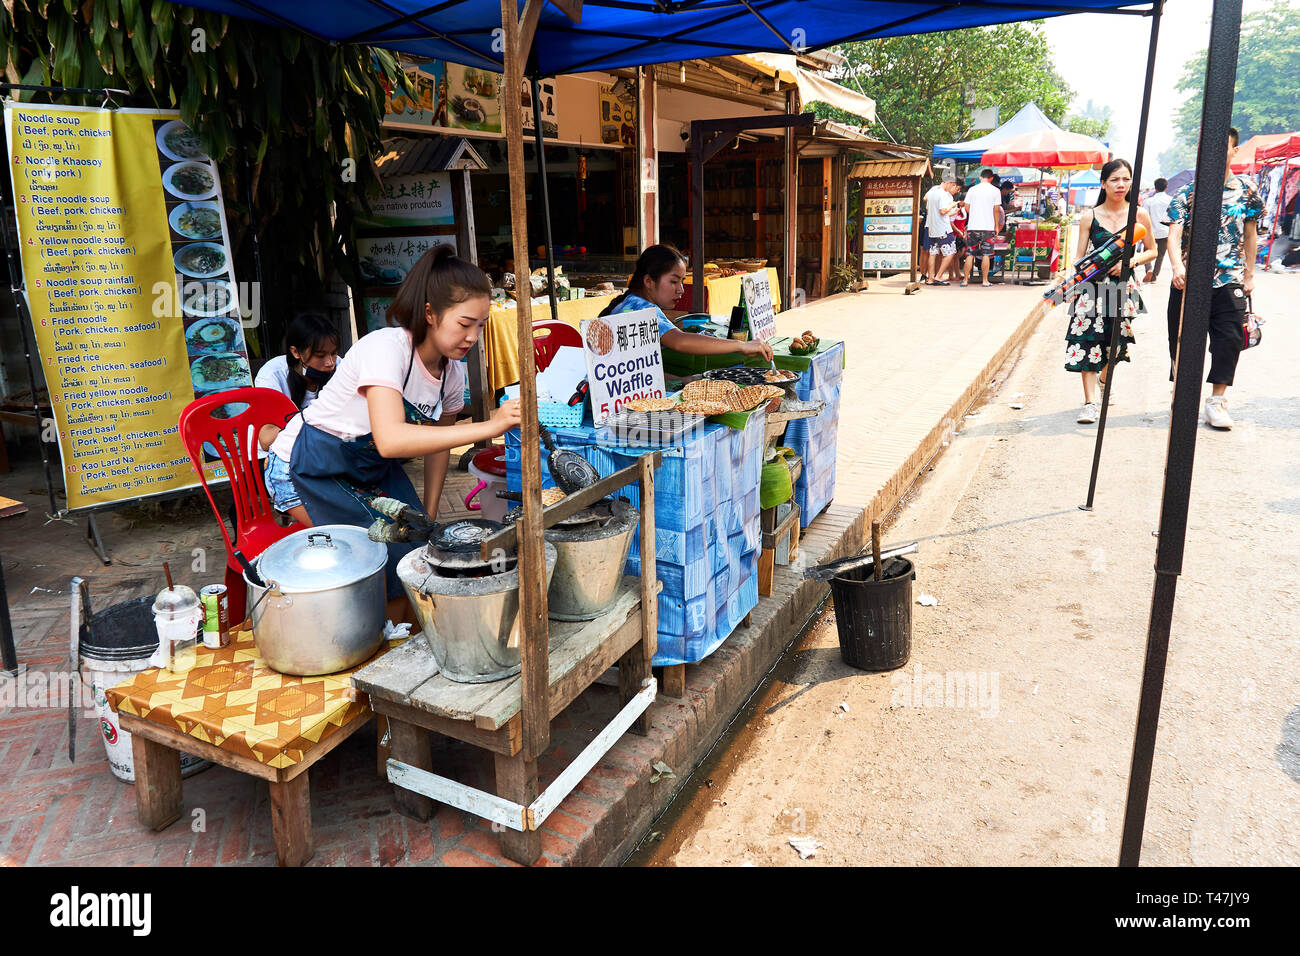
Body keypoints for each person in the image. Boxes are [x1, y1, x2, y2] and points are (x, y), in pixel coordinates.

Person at [269, 244, 521, 621]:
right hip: (303, 465)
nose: (473, 336)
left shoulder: (451, 375)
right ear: (430, 314)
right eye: (464, 324)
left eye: (481, 325)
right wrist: (492, 425)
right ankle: (380, 649)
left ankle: (408, 638)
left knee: (421, 547)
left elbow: (440, 449)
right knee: (380, 555)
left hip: (365, 466)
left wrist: (430, 513)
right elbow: (391, 440)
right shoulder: (386, 349)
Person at [1165, 127, 1263, 430]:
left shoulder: (1246, 190)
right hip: (1189, 280)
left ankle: (1217, 401)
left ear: (1235, 151)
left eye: (1224, 148)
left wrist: (1249, 274)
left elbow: (1250, 234)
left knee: (1229, 340)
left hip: (1229, 279)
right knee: (1180, 343)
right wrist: (1177, 268)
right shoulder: (1186, 193)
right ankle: (1182, 397)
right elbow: (1174, 233)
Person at [1064, 158, 1156, 425]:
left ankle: (1105, 379)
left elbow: (1152, 250)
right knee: (1088, 341)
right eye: (1115, 179)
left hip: (1122, 289)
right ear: (1103, 184)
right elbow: (1078, 257)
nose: (1121, 184)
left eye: (1126, 179)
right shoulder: (1089, 217)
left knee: (1114, 344)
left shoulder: (1139, 215)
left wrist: (1129, 262)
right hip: (1092, 290)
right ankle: (1090, 403)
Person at [599, 245, 774, 362]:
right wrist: (741, 346)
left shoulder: (631, 301)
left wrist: (680, 379)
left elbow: (638, 370)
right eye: (674, 282)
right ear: (648, 281)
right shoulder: (641, 309)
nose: (681, 290)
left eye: (682, 281)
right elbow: (680, 341)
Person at [255, 313, 341, 526]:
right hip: (274, 460)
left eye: (333, 353)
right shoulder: (272, 376)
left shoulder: (340, 366)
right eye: (320, 355)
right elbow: (266, 439)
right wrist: (317, 421)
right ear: (295, 352)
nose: (330, 363)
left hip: (319, 454)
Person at [963, 168, 1005, 287]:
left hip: (973, 226)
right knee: (986, 254)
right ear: (991, 178)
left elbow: (966, 207)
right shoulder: (995, 190)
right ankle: (985, 280)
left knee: (970, 253)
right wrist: (996, 226)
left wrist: (975, 215)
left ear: (980, 178)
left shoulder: (972, 189)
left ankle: (965, 280)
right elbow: (997, 210)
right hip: (988, 227)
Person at [923, 178, 960, 285]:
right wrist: (952, 206)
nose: (953, 189)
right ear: (950, 183)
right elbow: (943, 211)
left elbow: (931, 208)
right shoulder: (943, 194)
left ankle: (930, 278)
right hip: (943, 229)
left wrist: (951, 212)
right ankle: (938, 276)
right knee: (951, 252)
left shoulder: (932, 192)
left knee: (933, 252)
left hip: (932, 227)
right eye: (953, 186)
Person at [1142, 178, 1172, 283]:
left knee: (1147, 251)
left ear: (1155, 188)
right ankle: (1154, 276)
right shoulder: (1170, 200)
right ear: (1166, 187)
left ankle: (1148, 269)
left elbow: (1144, 217)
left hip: (1151, 232)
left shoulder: (1149, 201)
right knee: (1160, 254)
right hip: (1165, 232)